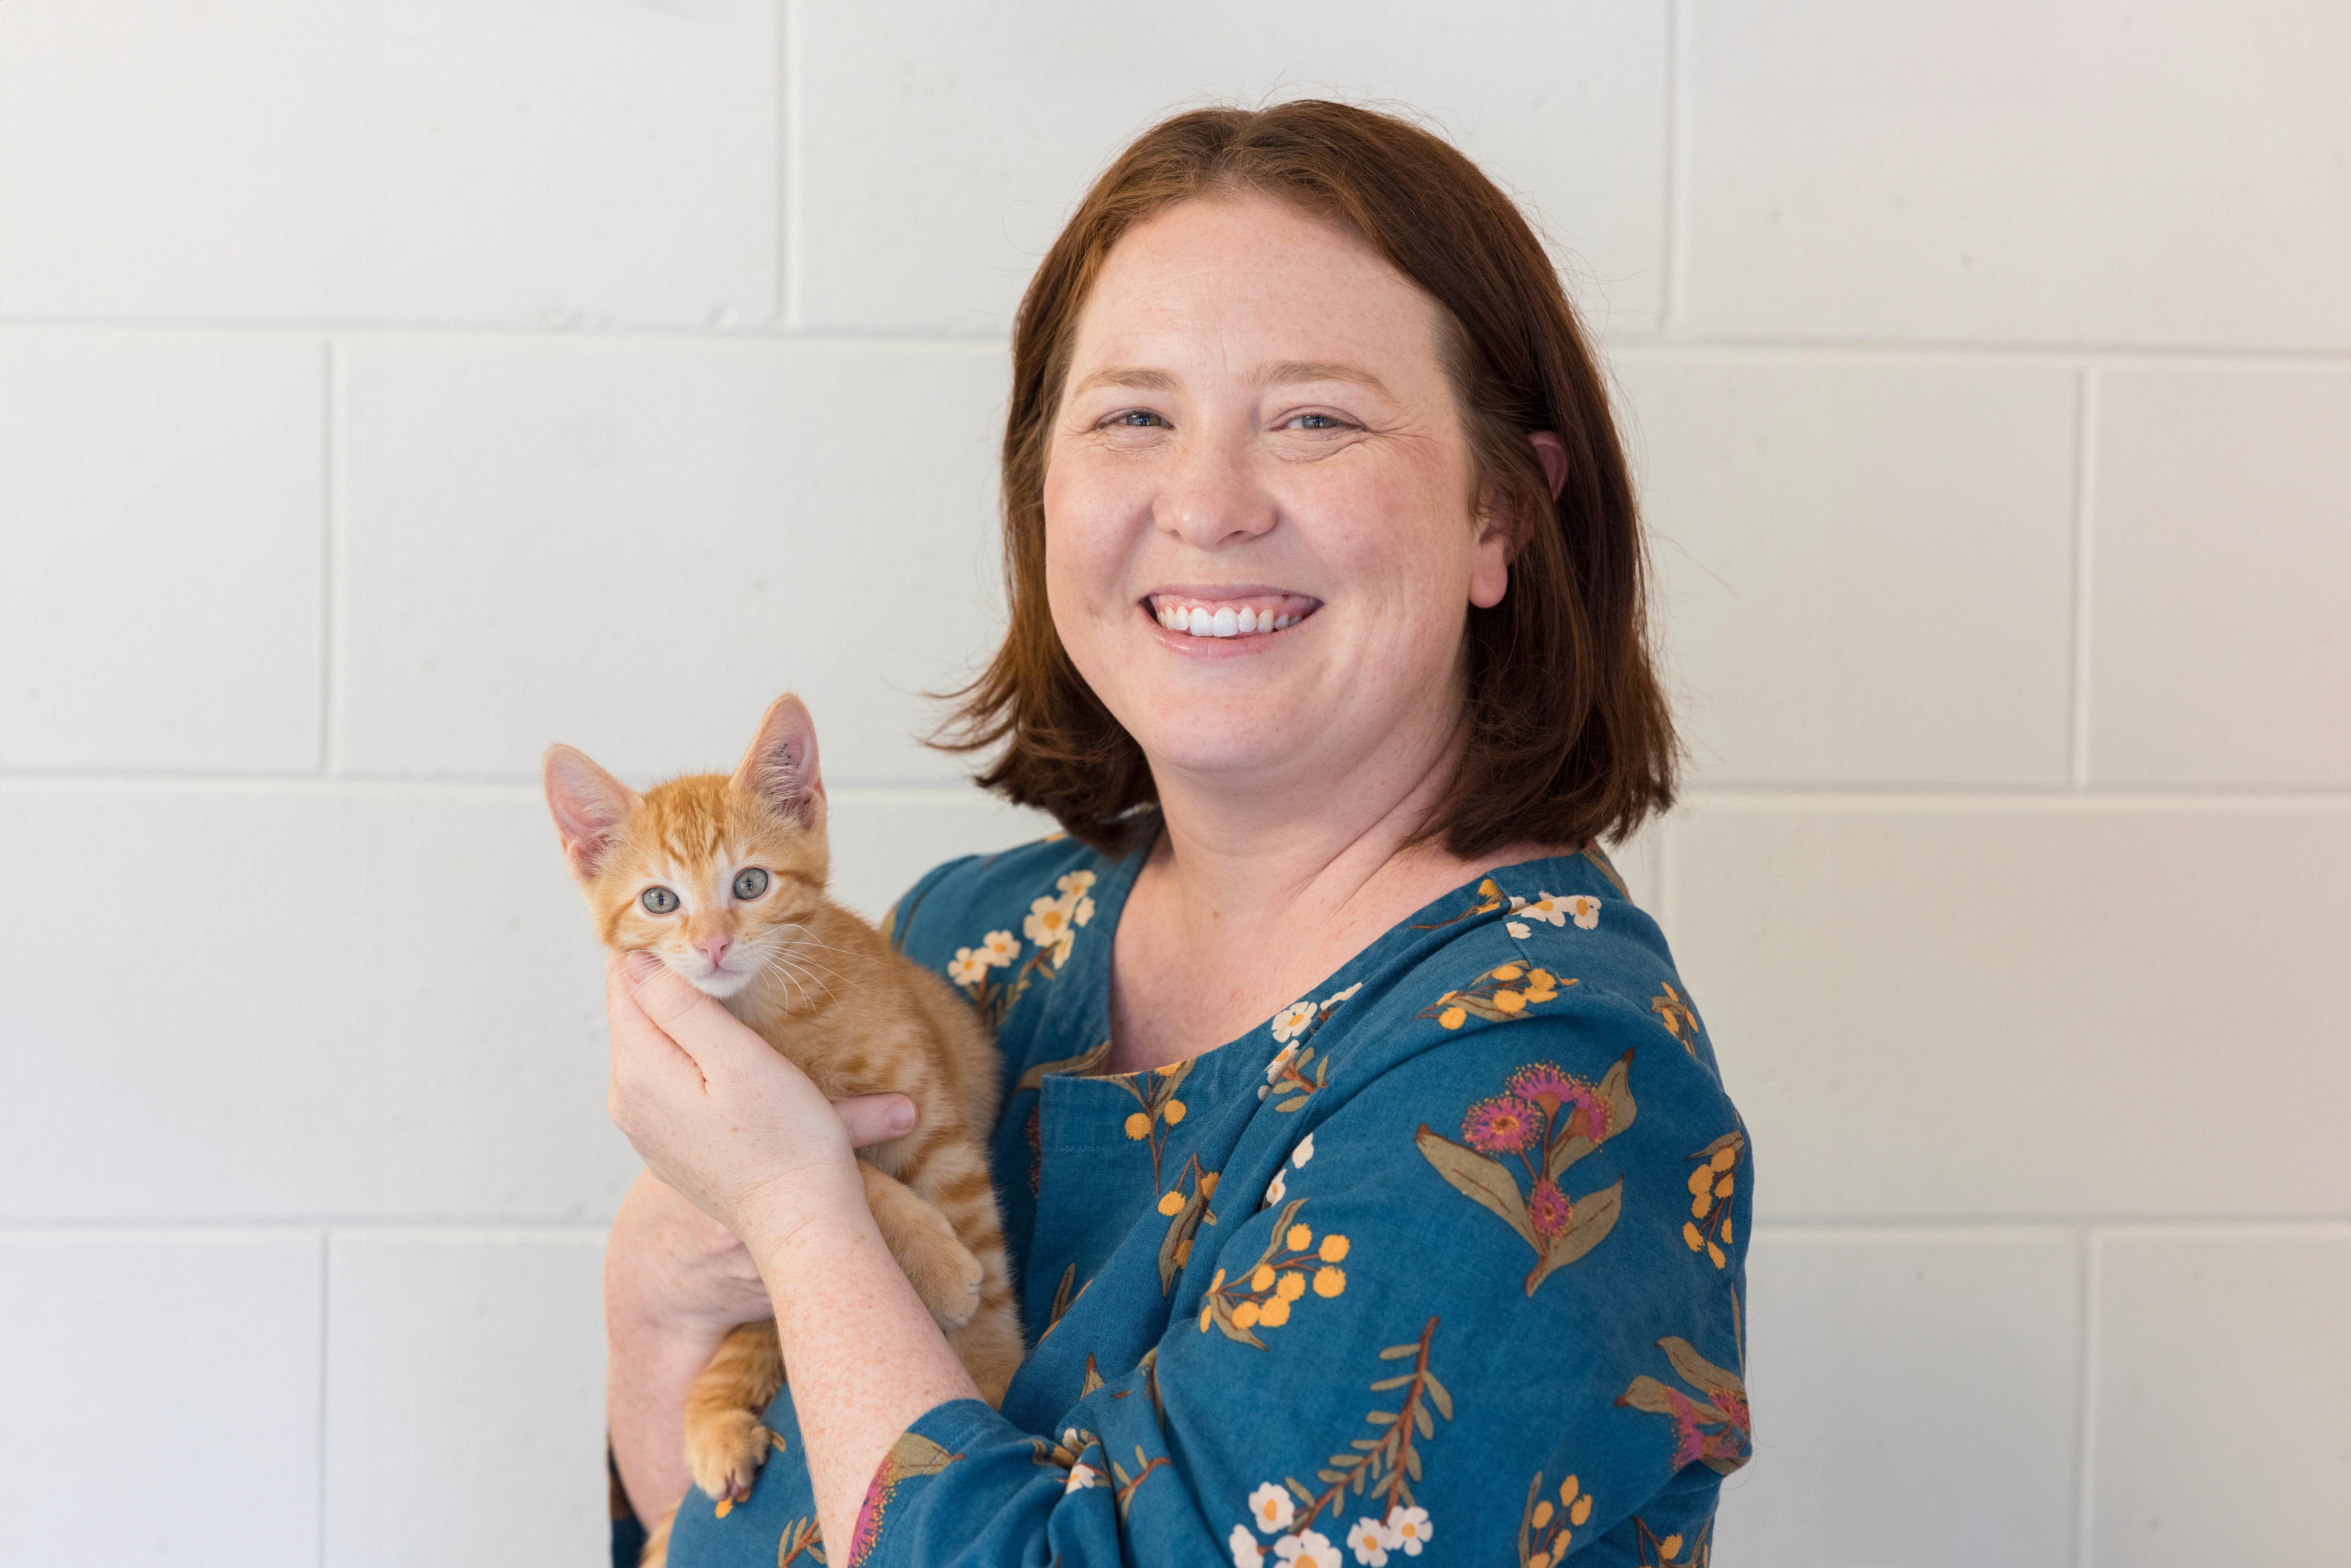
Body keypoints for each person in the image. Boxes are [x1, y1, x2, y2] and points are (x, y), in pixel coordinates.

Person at [602, 101, 1750, 1568]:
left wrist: (791, 1208)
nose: (1204, 505)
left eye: (1314, 418)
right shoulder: (971, 943)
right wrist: (649, 1302)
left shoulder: (1539, 1088)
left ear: (1499, 518)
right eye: (1133, 415)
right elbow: (699, 1517)